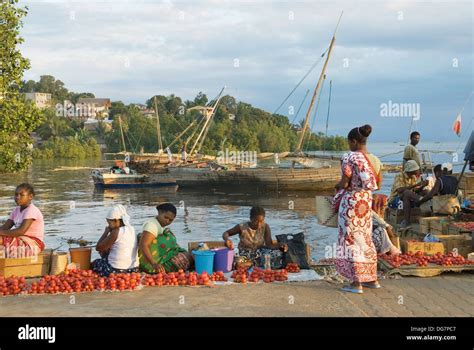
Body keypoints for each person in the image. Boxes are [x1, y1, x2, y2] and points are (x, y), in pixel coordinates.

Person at [334, 124, 379, 294]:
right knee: (365, 238)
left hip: (352, 203)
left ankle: (356, 283)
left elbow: (345, 182)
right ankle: (371, 279)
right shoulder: (368, 158)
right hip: (366, 203)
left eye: (348, 142)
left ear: (353, 141)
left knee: (350, 239)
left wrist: (337, 186)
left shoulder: (349, 157)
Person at [222, 206, 288, 269]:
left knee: (278, 254)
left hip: (259, 254)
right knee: (238, 263)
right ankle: (254, 263)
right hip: (245, 255)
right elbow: (226, 233)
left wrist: (280, 245)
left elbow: (269, 245)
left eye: (261, 221)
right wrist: (226, 239)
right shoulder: (242, 227)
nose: (259, 224)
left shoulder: (265, 227)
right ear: (251, 219)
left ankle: (252, 264)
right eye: (256, 221)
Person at [138, 203, 193, 273]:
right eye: (165, 217)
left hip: (162, 258)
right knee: (185, 259)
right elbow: (144, 245)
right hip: (152, 264)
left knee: (189, 255)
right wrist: (154, 264)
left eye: (170, 220)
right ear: (159, 212)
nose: (167, 221)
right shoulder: (152, 225)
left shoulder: (159, 224)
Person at [365, 153, 400, 256]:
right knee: (383, 229)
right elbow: (386, 226)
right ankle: (391, 251)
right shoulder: (369, 210)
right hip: (368, 244)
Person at [92, 205, 139, 276]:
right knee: (106, 252)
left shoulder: (117, 231)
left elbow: (98, 248)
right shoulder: (132, 229)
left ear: (116, 220)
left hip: (117, 270)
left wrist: (106, 232)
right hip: (134, 270)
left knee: (95, 263)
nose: (108, 226)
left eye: (109, 223)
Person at [0, 183, 45, 258]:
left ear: (30, 197)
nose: (17, 197)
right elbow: (5, 227)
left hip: (33, 244)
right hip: (20, 241)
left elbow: (20, 231)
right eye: (16, 194)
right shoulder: (16, 210)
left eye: (21, 195)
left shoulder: (31, 210)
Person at [388, 160, 429, 230]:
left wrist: (422, 185)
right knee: (406, 193)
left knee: (425, 191)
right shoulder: (399, 176)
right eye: (416, 169)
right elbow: (399, 190)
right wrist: (416, 185)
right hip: (395, 201)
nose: (418, 170)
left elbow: (414, 190)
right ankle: (420, 200)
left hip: (407, 199)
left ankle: (423, 203)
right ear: (411, 170)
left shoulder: (413, 177)